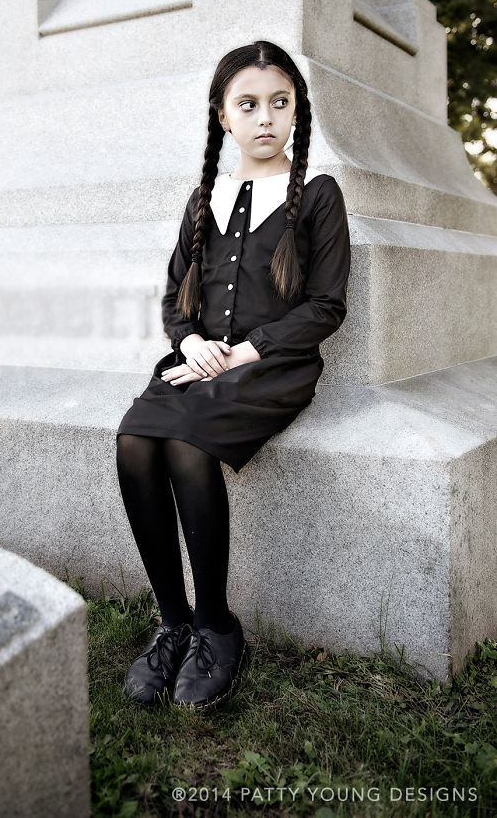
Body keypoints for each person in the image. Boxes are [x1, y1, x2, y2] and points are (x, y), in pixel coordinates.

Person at [115, 40, 351, 711]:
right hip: (202, 363)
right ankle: (173, 620)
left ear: (297, 111)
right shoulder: (203, 198)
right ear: (223, 116)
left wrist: (246, 351)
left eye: (281, 103)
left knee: (187, 441)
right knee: (134, 439)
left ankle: (217, 623)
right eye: (248, 104)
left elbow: (327, 305)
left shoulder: (319, 196)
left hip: (272, 368)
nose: (265, 118)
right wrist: (187, 341)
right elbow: (173, 297)